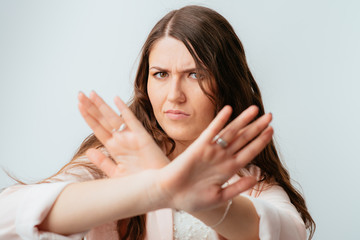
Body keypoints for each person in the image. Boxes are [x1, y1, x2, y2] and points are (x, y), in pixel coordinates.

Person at [0, 5, 315, 240]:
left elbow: (288, 233)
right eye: (161, 74)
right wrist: (156, 187)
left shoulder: (252, 182)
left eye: (195, 74)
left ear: (225, 83)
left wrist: (194, 199)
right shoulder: (117, 157)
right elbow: (9, 216)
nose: (174, 95)